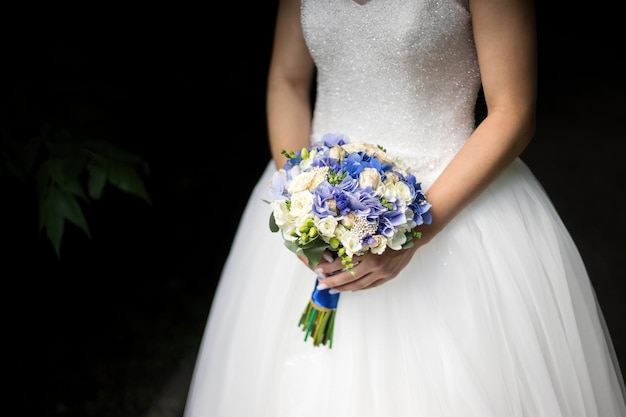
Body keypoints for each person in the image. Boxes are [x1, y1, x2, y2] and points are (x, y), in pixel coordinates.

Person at [184, 0, 626, 415]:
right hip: (319, 192)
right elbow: (287, 79)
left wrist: (413, 233)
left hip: (450, 199)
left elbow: (512, 111)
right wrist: (300, 202)